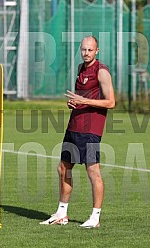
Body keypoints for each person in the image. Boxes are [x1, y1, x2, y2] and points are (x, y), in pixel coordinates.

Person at [40, 36, 115, 228]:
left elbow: (111, 102)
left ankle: (95, 218)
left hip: (91, 129)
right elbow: (81, 97)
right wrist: (73, 103)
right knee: (63, 168)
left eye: (90, 50)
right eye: (83, 50)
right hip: (74, 125)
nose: (86, 53)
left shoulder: (102, 71)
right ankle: (61, 214)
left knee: (93, 171)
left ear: (97, 51)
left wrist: (84, 101)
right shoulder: (81, 69)